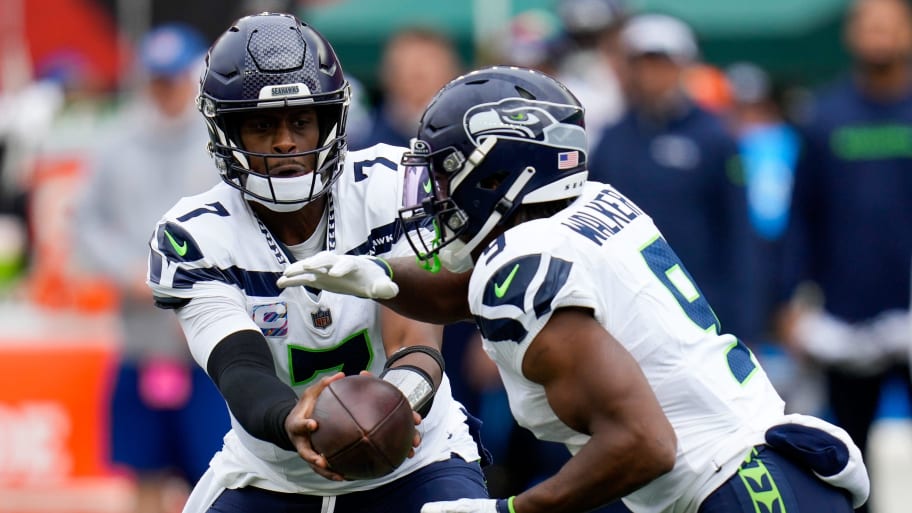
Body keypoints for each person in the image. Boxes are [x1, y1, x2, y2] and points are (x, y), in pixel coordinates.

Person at [277, 66, 869, 513]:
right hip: (759, 476)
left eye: (446, 173)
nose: (435, 194)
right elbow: (469, 290)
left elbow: (644, 443)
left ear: (496, 174)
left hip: (732, 491)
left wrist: (508, 509)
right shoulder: (588, 205)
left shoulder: (526, 259)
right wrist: (380, 276)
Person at [145, 12, 488, 513]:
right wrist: (294, 421)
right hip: (273, 473)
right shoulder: (197, 233)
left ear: (331, 120)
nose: (285, 141)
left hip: (415, 458)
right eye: (263, 124)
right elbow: (240, 367)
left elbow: (415, 338)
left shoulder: (393, 186)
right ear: (227, 129)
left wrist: (395, 405)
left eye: (301, 120)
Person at [72, 23, 225, 513]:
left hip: (210, 344)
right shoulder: (116, 145)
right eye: (157, 80)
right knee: (142, 469)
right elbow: (85, 221)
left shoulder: (217, 142)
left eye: (174, 79)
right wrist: (130, 271)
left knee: (215, 466)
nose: (165, 91)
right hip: (142, 342)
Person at [774, 2, 912, 510]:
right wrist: (788, 301)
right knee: (853, 456)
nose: (878, 35)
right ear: (852, 35)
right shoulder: (824, 116)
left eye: (888, 25)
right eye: (868, 25)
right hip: (848, 317)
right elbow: (801, 215)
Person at [588, 13, 761, 344]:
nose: (651, 73)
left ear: (683, 66)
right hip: (623, 312)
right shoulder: (612, 139)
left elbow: (738, 233)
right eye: (642, 62)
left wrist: (743, 321)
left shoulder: (715, 138)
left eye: (661, 61)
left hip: (700, 312)